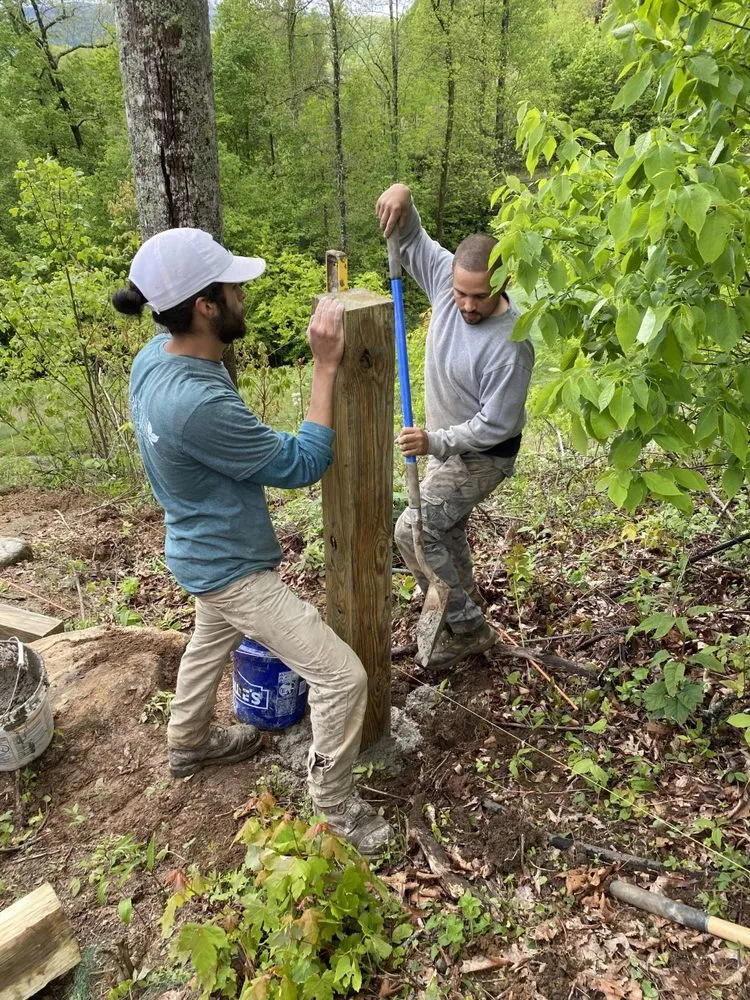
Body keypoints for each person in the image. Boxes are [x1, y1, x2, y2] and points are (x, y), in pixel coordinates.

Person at [112, 227, 392, 856]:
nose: (243, 294)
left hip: (196, 548)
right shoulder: (195, 404)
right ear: (205, 307)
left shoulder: (155, 358)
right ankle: (333, 806)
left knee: (209, 639)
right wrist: (325, 365)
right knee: (342, 677)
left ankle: (187, 743)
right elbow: (300, 463)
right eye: (233, 287)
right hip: (232, 569)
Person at [376, 184, 535, 670]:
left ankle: (468, 629)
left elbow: (493, 426)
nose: (466, 305)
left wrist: (434, 442)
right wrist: (403, 195)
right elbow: (411, 236)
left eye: (479, 297)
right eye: (461, 293)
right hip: (445, 446)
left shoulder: (512, 346)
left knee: (414, 529)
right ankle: (465, 603)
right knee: (446, 530)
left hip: (484, 455)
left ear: (503, 283)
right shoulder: (449, 283)